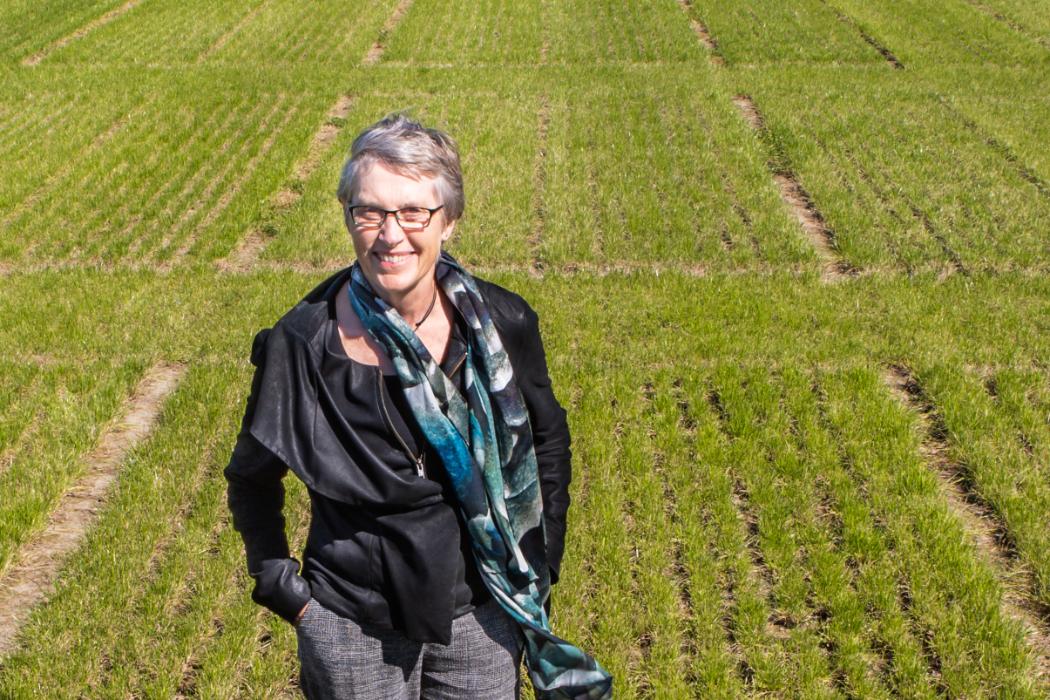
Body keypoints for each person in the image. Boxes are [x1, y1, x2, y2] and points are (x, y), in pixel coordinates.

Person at [225, 114, 612, 699]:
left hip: (483, 614)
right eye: (369, 212)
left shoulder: (502, 326)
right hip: (351, 624)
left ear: (448, 220)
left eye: (413, 212)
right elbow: (252, 477)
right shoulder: (303, 343)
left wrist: (542, 561)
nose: (390, 234)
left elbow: (548, 441)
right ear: (349, 218)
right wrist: (291, 597)